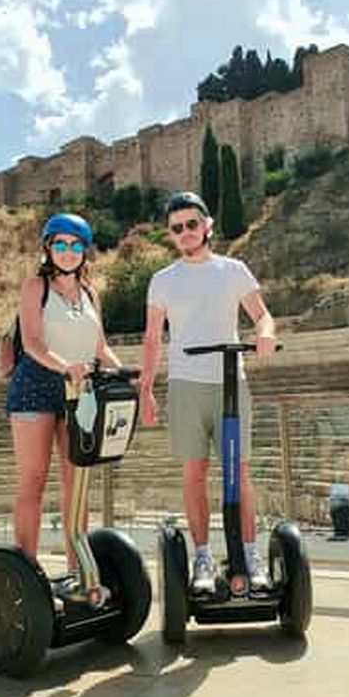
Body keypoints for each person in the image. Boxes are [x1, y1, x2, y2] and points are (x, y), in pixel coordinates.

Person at [139, 191, 277, 593]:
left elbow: (262, 315)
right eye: (176, 228)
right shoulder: (162, 281)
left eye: (191, 224)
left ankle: (250, 558)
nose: (185, 232)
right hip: (185, 384)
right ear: (171, 235)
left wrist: (265, 335)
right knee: (194, 474)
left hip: (231, 383)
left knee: (240, 473)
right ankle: (202, 558)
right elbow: (151, 340)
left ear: (207, 226)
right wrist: (146, 390)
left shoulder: (233, 269)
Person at [5, 212, 121, 571]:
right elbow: (34, 343)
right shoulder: (35, 288)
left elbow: (99, 346)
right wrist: (66, 365)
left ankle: (78, 570)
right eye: (60, 244)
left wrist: (127, 373)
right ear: (48, 248)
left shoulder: (89, 294)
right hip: (35, 390)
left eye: (75, 245)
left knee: (77, 484)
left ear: (84, 252)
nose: (68, 251)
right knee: (33, 480)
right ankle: (26, 571)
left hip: (79, 392)